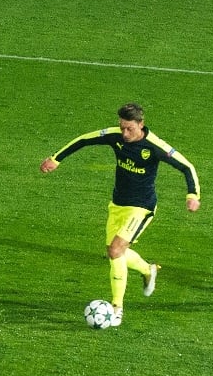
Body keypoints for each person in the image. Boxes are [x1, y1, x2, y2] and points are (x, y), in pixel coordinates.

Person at [40, 102, 201, 326]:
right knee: (114, 252)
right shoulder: (115, 136)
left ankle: (117, 308)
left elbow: (187, 166)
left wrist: (192, 196)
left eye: (129, 129)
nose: (124, 133)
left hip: (141, 207)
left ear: (141, 125)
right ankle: (148, 269)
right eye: (122, 127)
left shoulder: (154, 146)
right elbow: (84, 139)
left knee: (116, 250)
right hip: (117, 205)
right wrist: (56, 158)